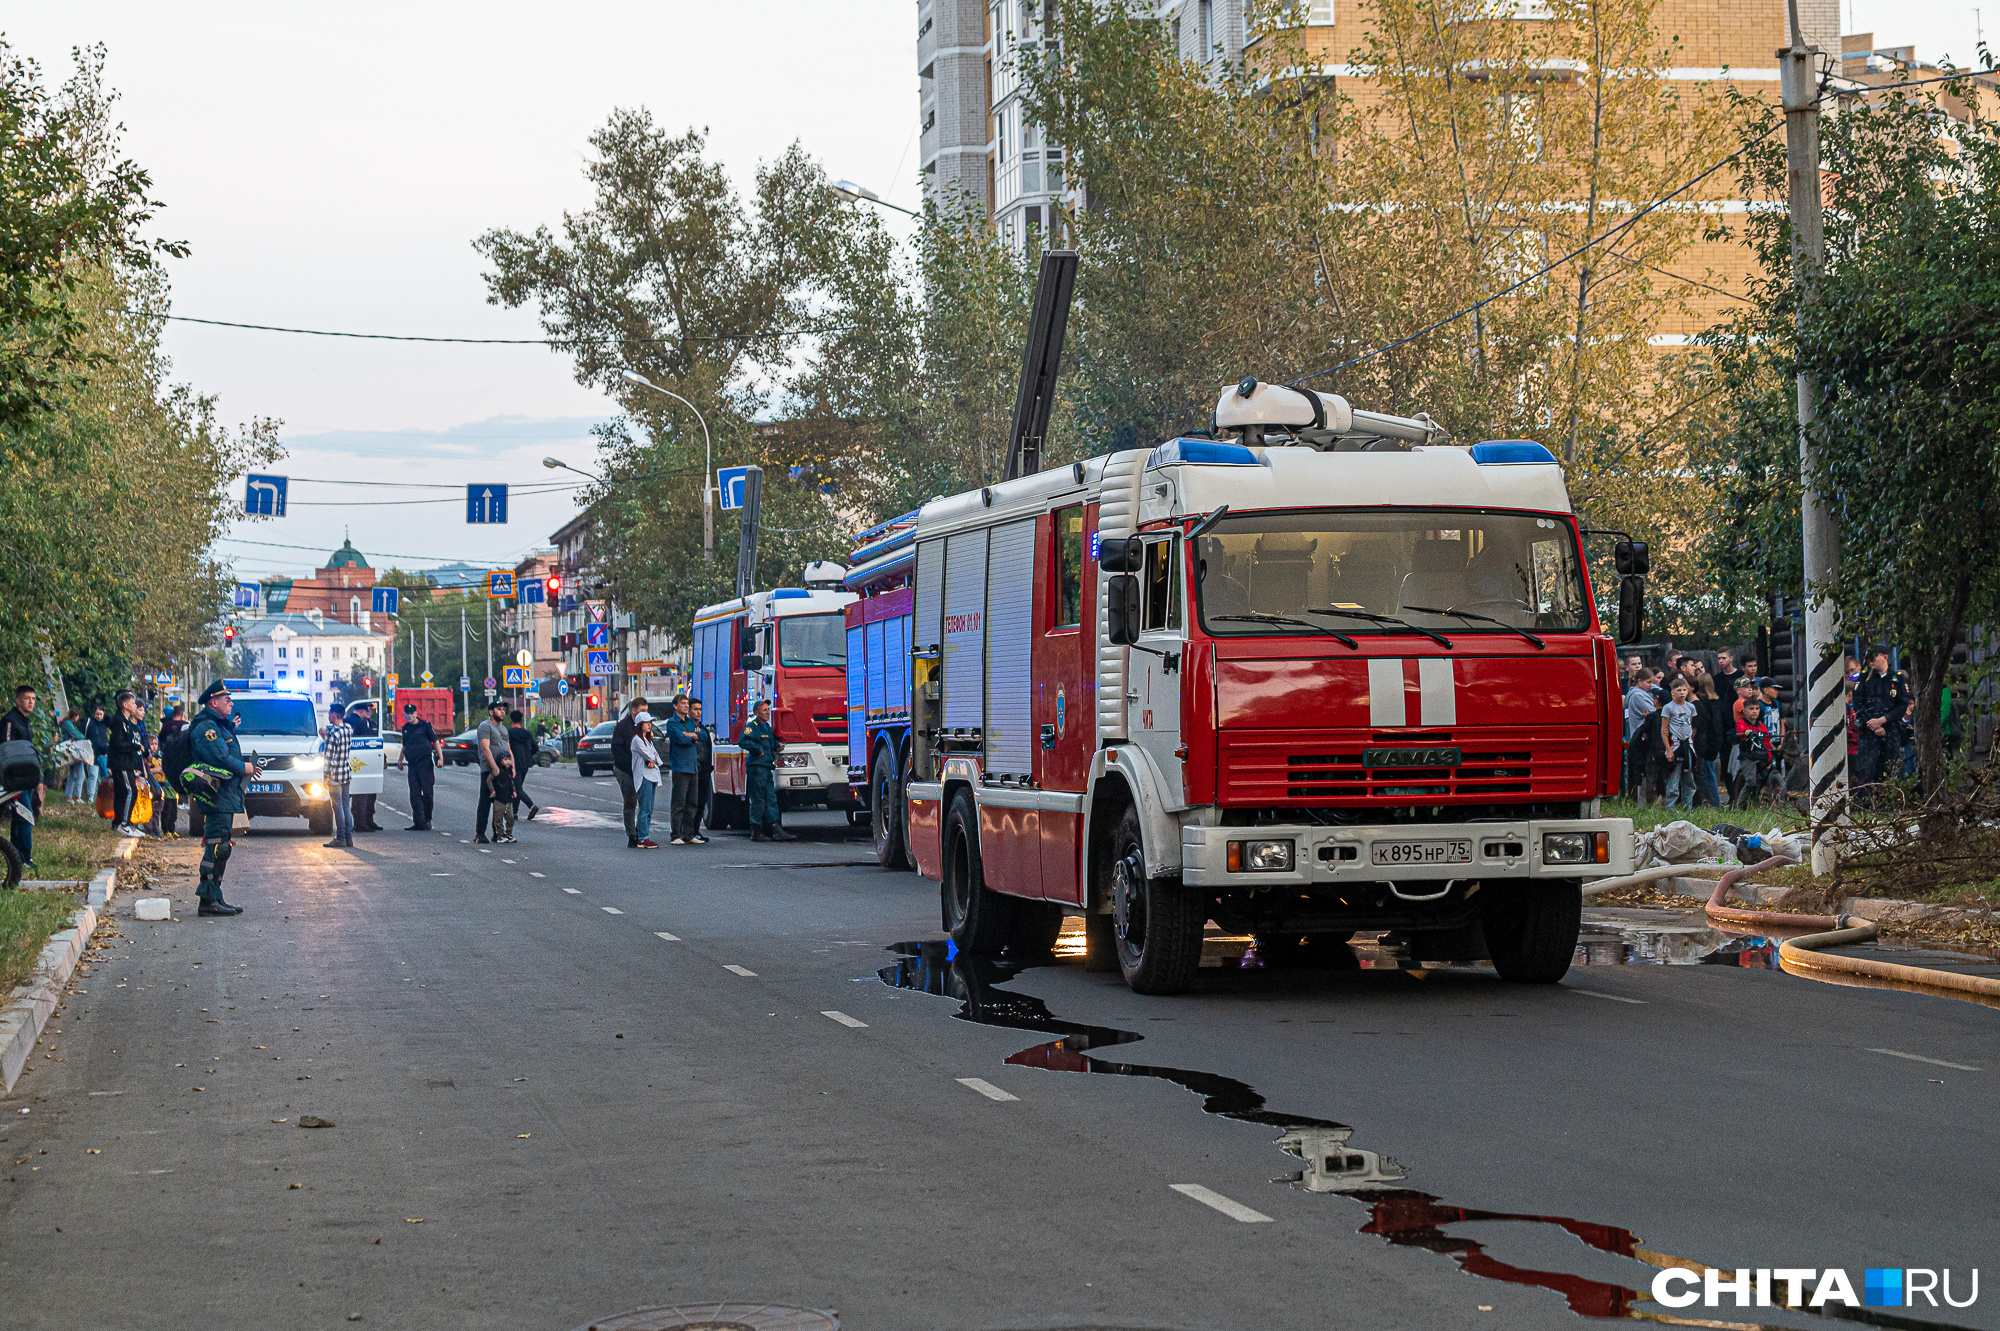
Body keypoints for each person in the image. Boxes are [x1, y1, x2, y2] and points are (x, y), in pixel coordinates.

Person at [185, 681, 260, 916]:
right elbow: (220, 757)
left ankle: (215, 895)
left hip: (226, 794)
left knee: (222, 846)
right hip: (216, 795)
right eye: (227, 700)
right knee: (216, 846)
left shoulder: (219, 725)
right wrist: (244, 767)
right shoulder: (206, 727)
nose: (231, 703)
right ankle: (207, 900)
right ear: (213, 702)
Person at [1852, 649, 1909, 802]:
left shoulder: (1896, 679)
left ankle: (1886, 804)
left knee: (1888, 769)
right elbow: (1858, 704)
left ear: (1884, 657)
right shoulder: (1864, 678)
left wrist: (1884, 720)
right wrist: (1873, 724)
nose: (1870, 662)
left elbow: (1902, 705)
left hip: (1890, 731)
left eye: (1873, 657)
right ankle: (1864, 805)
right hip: (1869, 731)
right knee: (1866, 769)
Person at [0, 685, 43, 870]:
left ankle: (17, 857)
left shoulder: (25, 720)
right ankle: (25, 857)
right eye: (27, 698)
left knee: (20, 817)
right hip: (14, 779)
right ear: (18, 700)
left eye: (33, 698)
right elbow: (6, 749)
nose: (31, 702)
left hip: (27, 778)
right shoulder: (10, 721)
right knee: (25, 816)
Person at [742, 698, 791, 841]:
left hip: (766, 767)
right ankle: (756, 831)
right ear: (756, 712)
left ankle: (775, 829)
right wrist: (758, 749)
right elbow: (743, 741)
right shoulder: (753, 726)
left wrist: (777, 745)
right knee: (758, 800)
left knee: (771, 799)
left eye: (768, 709)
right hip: (756, 768)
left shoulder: (766, 727)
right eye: (764, 710)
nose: (767, 712)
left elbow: (769, 742)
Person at [108, 690, 148, 837]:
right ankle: (124, 823)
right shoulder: (119, 721)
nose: (134, 705)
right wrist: (135, 746)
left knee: (122, 792)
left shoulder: (126, 721)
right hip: (120, 763)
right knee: (131, 790)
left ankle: (122, 823)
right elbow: (118, 744)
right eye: (132, 703)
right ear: (125, 705)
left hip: (126, 762)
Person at [663, 693, 701, 845]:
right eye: (683, 703)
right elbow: (680, 739)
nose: (686, 706)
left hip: (693, 766)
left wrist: (691, 734)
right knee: (679, 802)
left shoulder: (690, 722)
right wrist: (691, 736)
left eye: (687, 703)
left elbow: (702, 735)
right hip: (680, 766)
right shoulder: (672, 723)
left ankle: (689, 834)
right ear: (675, 706)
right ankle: (675, 835)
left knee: (692, 802)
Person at [1688, 668, 1728, 809]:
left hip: (1706, 743)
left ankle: (1714, 804)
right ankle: (1714, 803)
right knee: (1710, 774)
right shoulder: (1717, 702)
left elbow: (1705, 724)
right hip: (1716, 741)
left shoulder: (1703, 704)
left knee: (1707, 775)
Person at [398, 703, 441, 830]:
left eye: (412, 713)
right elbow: (404, 745)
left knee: (427, 793)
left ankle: (427, 819)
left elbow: (435, 741)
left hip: (425, 763)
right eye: (407, 713)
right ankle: (418, 821)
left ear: (416, 714)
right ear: (405, 715)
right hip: (412, 764)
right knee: (415, 794)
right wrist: (400, 760)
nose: (410, 716)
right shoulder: (405, 728)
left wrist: (440, 758)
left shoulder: (425, 726)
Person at [1659, 678, 1698, 812]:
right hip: (1675, 745)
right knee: (1674, 779)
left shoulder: (1690, 707)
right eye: (1678, 690)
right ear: (1673, 692)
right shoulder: (1668, 708)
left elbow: (1691, 725)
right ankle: (1671, 808)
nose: (1682, 693)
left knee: (1689, 779)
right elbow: (1664, 729)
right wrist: (1668, 749)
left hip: (1688, 745)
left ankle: (1688, 808)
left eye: (1684, 690)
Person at [475, 700, 510, 844]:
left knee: (501, 802)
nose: (502, 712)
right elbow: (485, 748)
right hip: (489, 769)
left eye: (503, 709)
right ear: (491, 712)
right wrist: (494, 766)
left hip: (503, 770)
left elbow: (508, 748)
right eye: (499, 709)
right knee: (486, 800)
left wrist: (511, 766)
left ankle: (497, 833)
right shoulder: (485, 726)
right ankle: (480, 833)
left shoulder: (503, 729)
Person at [611, 699, 644, 849]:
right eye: (642, 711)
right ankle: (632, 835)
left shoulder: (646, 726)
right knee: (630, 801)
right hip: (625, 770)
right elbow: (617, 750)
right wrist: (631, 767)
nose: (645, 714)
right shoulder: (623, 727)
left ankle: (641, 833)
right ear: (634, 711)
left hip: (642, 770)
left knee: (645, 802)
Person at [345, 701, 382, 832]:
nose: (369, 712)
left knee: (365, 792)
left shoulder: (367, 723)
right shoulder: (357, 722)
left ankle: (365, 820)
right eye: (368, 710)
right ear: (360, 711)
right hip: (359, 761)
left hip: (359, 760)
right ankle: (360, 823)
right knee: (360, 794)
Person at [321, 702, 354, 848]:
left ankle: (340, 838)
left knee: (337, 807)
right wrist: (326, 736)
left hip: (334, 775)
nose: (328, 716)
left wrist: (325, 777)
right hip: (346, 773)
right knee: (346, 805)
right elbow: (339, 746)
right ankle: (348, 837)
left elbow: (329, 757)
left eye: (329, 714)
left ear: (334, 715)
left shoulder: (333, 734)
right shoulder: (348, 729)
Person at [1623, 668, 1658, 802]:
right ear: (1639, 681)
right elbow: (1653, 712)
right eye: (1648, 682)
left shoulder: (1636, 693)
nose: (1650, 685)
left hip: (1636, 735)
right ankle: (1641, 799)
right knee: (1642, 770)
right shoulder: (1638, 696)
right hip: (1640, 737)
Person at [629, 713, 662, 849]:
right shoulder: (637, 740)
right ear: (639, 724)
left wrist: (653, 760)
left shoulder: (648, 740)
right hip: (643, 777)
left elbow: (658, 759)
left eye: (650, 722)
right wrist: (652, 759)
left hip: (652, 777)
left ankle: (645, 836)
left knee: (649, 808)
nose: (650, 725)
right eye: (646, 722)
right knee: (645, 809)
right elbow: (649, 755)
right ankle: (642, 838)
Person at [1735, 698, 1774, 809]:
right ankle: (1740, 807)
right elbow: (1739, 730)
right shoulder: (1742, 723)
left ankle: (1758, 803)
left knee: (1766, 778)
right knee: (1750, 782)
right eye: (1751, 709)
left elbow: (1767, 743)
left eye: (1757, 708)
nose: (1755, 711)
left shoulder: (1762, 727)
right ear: (1745, 711)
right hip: (1747, 757)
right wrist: (1746, 732)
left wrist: (1769, 759)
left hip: (1760, 755)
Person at [507, 710, 540, 821]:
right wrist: (528, 755)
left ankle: (531, 805)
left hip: (514, 764)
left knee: (517, 788)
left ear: (511, 720)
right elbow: (536, 748)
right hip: (525, 764)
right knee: (517, 787)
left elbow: (506, 749)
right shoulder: (527, 734)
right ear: (521, 720)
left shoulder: (509, 734)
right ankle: (514, 812)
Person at [156, 706, 185, 836]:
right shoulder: (186, 725)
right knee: (174, 798)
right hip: (181, 762)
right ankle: (171, 828)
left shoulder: (166, 726)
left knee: (167, 800)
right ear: (182, 714)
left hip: (168, 761)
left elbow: (160, 740)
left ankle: (166, 828)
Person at [690, 697, 714, 843]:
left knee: (701, 801)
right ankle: (687, 831)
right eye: (695, 709)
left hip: (704, 770)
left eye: (700, 710)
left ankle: (696, 830)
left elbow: (707, 748)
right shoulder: (686, 727)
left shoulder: (703, 729)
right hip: (692, 770)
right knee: (691, 802)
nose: (698, 712)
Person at [59, 707, 90, 801]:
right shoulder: (68, 724)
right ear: (76, 716)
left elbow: (76, 734)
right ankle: (77, 796)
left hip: (72, 749)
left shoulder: (68, 723)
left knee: (73, 773)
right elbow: (77, 735)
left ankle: (69, 796)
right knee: (80, 774)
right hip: (72, 750)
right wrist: (83, 737)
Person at [488, 752, 519, 844]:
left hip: (508, 798)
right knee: (498, 819)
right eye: (505, 760)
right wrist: (492, 791)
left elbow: (511, 782)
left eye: (509, 760)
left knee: (510, 817)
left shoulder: (509, 771)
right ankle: (500, 835)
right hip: (499, 798)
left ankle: (509, 834)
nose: (508, 762)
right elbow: (489, 780)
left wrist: (513, 791)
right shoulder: (497, 770)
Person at [85, 703, 109, 802]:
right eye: (97, 714)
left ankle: (104, 797)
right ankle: (91, 796)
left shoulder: (105, 724)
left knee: (104, 776)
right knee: (93, 775)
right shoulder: (90, 723)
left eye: (100, 714)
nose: (98, 716)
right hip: (92, 753)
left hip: (103, 754)